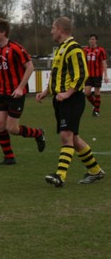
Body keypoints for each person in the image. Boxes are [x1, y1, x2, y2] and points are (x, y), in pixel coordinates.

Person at [35, 17, 105, 186]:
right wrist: (46, 92)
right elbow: (57, 75)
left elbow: (82, 75)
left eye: (53, 28)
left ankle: (60, 176)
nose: (51, 31)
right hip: (61, 99)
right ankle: (95, 171)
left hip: (72, 99)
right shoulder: (61, 49)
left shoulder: (74, 48)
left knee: (66, 136)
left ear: (60, 29)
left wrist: (67, 93)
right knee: (74, 138)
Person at [0, 18, 46, 165]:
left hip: (15, 94)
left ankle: (38, 133)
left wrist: (20, 87)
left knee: (12, 128)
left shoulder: (16, 48)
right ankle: (9, 157)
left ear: (3, 32)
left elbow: (30, 67)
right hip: (1, 92)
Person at [83, 34, 107, 117]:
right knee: (87, 93)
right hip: (88, 75)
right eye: (90, 39)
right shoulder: (85, 50)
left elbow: (104, 63)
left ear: (96, 40)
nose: (91, 41)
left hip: (97, 74)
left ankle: (96, 111)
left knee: (97, 92)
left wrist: (105, 75)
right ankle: (96, 106)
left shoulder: (101, 50)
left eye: (93, 39)